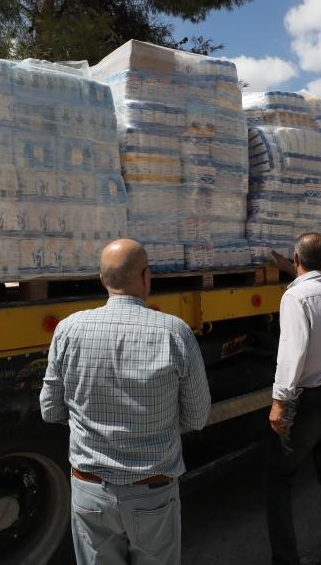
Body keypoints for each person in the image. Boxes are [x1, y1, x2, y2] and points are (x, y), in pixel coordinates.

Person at [39, 238, 211, 564]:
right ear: (147, 277)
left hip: (89, 490)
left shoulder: (68, 330)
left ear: (102, 279)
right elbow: (198, 415)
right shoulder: (174, 333)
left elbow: (50, 410)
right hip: (152, 492)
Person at [268, 232, 321, 565]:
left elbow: (293, 352)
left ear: (296, 257)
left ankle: (286, 560)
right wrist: (293, 269)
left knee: (278, 479)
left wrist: (279, 402)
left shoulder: (294, 299)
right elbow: (311, 285)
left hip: (307, 405)